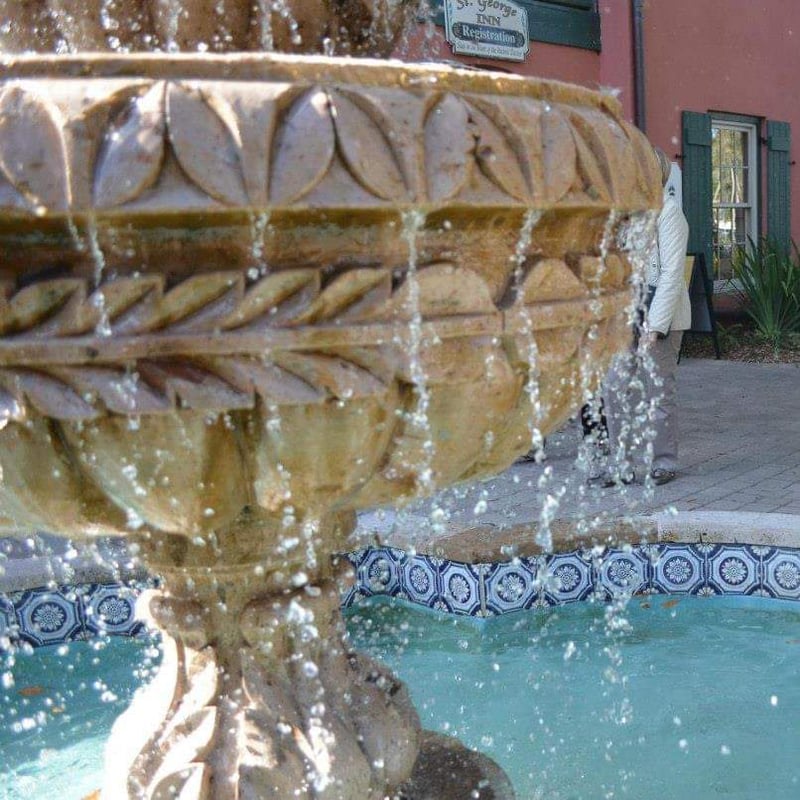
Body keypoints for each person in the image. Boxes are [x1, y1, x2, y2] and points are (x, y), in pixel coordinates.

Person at [590, 146, 691, 487]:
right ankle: (619, 464)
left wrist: (655, 326)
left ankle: (664, 462)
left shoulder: (670, 212)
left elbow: (672, 275)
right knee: (614, 388)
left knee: (658, 391)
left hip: (658, 314)